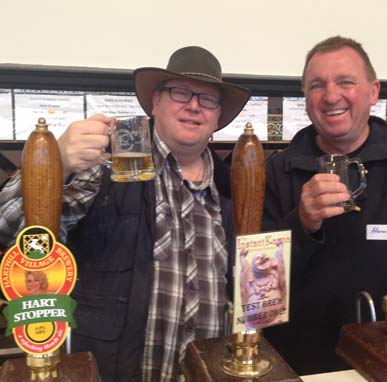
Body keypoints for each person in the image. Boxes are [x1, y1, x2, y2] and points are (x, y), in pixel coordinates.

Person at [0, 46, 251, 382]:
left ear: (218, 118)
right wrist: (54, 162)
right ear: (155, 103)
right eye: (180, 93)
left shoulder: (234, 189)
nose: (193, 106)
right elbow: (10, 227)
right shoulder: (104, 164)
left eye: (207, 99)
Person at [261, 35, 387, 376]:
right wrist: (302, 223)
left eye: (345, 82)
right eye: (316, 86)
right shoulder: (277, 170)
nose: (331, 96)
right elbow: (245, 281)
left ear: (373, 91)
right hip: (303, 367)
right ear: (306, 99)